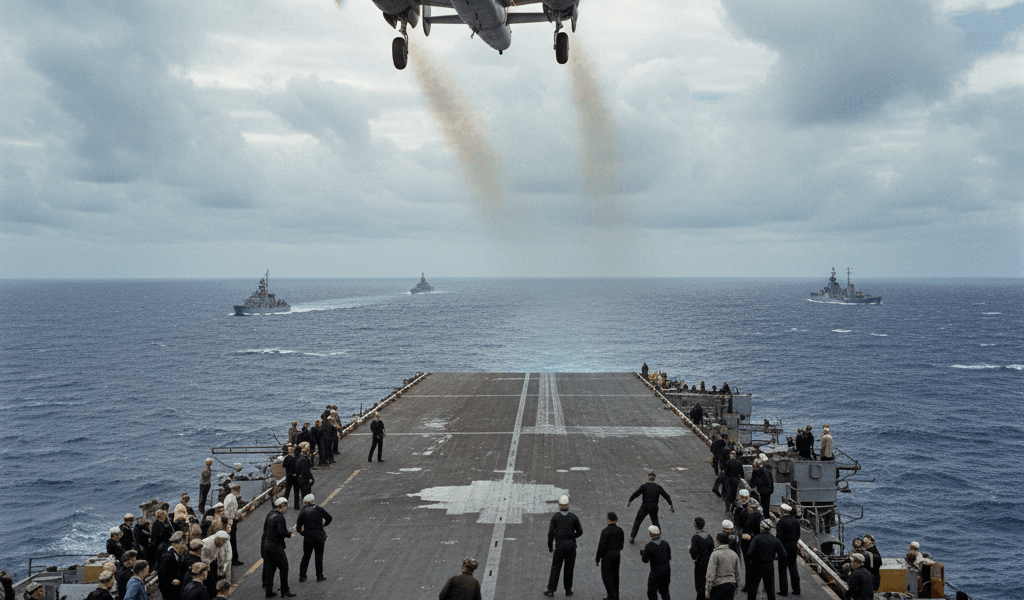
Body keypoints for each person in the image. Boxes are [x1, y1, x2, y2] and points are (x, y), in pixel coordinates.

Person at [544, 495, 583, 596]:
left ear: (559, 505)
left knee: (556, 567)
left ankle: (551, 590)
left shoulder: (555, 517)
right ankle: (568, 590)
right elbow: (580, 531)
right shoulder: (573, 517)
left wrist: (550, 546)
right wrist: (572, 536)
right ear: (568, 505)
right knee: (569, 568)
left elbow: (550, 533)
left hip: (560, 546)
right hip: (571, 547)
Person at [627, 472, 675, 544]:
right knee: (655, 522)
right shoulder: (658, 487)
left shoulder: (644, 486)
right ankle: (658, 537)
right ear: (654, 478)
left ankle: (632, 537)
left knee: (638, 521)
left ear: (648, 477)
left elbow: (636, 493)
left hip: (644, 506)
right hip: (654, 507)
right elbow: (666, 496)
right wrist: (671, 505)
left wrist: (630, 501)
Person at [263, 497, 296, 598]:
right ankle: (284, 590)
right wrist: (289, 534)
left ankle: (268, 591)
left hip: (267, 545)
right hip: (275, 546)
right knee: (284, 567)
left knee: (270, 568)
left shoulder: (270, 514)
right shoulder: (280, 517)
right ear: (283, 506)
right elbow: (281, 532)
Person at [296, 494, 333, 582]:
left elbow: (298, 527)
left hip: (308, 538)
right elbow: (329, 518)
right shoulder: (318, 509)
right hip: (319, 536)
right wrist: (323, 525)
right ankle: (319, 576)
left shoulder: (303, 512)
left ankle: (302, 576)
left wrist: (303, 533)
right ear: (313, 501)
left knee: (306, 556)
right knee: (319, 556)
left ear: (305, 502)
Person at [745, 520, 786, 600]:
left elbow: (750, 554)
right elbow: (783, 554)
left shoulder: (757, 538)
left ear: (761, 527)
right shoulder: (775, 540)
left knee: (753, 588)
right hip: (769, 565)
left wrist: (753, 559)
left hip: (757, 565)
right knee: (770, 589)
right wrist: (774, 558)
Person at [595, 512, 624, 600]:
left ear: (608, 519)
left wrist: (597, 559)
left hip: (607, 556)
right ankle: (616, 593)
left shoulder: (605, 531)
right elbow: (621, 545)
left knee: (606, 576)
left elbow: (601, 546)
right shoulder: (620, 530)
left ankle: (612, 595)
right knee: (615, 575)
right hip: (617, 554)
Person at [705, 533, 740, 600]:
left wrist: (708, 589)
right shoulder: (734, 554)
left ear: (718, 541)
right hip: (731, 584)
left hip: (718, 585)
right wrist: (736, 584)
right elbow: (738, 572)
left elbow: (710, 574)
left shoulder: (715, 554)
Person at [775, 504, 800, 597]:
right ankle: (796, 589)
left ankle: (784, 590)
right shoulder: (795, 521)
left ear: (782, 511)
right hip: (793, 546)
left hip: (784, 547)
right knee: (793, 568)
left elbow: (779, 537)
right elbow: (798, 535)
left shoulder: (781, 521)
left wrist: (777, 549)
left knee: (782, 569)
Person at [640, 525, 671, 600]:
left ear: (651, 534)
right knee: (664, 591)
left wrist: (643, 553)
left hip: (656, 571)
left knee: (651, 591)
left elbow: (645, 560)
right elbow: (669, 557)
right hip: (666, 570)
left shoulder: (649, 546)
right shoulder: (665, 543)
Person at [689, 517, 714, 600]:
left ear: (695, 525)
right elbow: (712, 548)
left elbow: (694, 552)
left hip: (700, 563)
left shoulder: (695, 537)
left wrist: (691, 551)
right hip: (708, 561)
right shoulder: (709, 536)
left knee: (699, 583)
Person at [158, 531, 187, 600]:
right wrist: (171, 580)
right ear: (179, 544)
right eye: (183, 543)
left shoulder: (175, 554)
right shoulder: (168, 556)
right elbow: (161, 573)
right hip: (169, 588)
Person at [201, 531, 231, 597]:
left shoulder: (221, 541)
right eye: (222, 542)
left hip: (214, 561)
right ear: (217, 539)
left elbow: (227, 556)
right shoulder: (207, 545)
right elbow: (204, 560)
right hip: (207, 563)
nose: (223, 544)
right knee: (211, 583)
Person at [224, 483, 243, 566]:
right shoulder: (233, 499)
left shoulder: (228, 497)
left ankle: (231, 558)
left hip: (227, 521)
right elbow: (232, 513)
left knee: (230, 541)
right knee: (233, 541)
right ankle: (234, 559)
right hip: (231, 521)